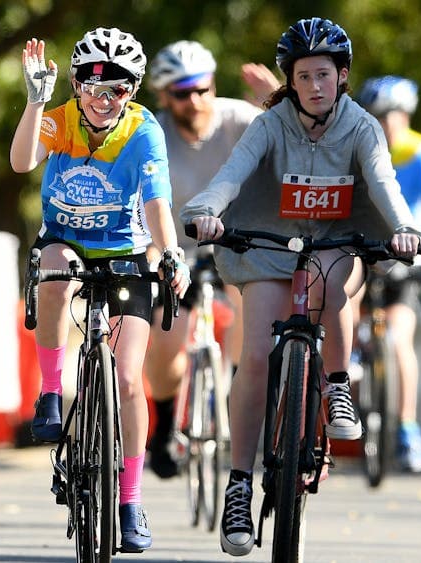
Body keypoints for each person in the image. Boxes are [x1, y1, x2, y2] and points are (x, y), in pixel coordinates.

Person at [180, 18, 421, 556]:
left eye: (325, 74)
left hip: (340, 240)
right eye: (303, 76)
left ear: (342, 77)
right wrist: (204, 211)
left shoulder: (363, 127)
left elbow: (384, 182)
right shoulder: (269, 124)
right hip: (269, 242)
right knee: (256, 356)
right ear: (289, 82)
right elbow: (232, 174)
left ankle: (337, 385)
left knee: (335, 279)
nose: (315, 86)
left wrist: (406, 228)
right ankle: (239, 486)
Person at [11, 28, 190, 552]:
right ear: (75, 85)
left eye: (114, 89)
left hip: (126, 253)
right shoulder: (62, 118)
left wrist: (171, 251)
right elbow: (23, 161)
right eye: (90, 87)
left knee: (130, 380)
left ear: (131, 91)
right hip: (65, 241)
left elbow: (157, 201)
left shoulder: (143, 131)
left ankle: (130, 500)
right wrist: (34, 102)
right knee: (54, 266)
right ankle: (50, 393)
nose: (100, 99)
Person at [143, 40, 276, 479]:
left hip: (236, 242)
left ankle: (240, 388)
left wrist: (277, 100)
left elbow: (295, 139)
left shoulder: (240, 117)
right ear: (164, 97)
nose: (195, 99)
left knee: (249, 306)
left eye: (202, 88)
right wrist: (154, 255)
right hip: (175, 249)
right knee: (166, 340)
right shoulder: (153, 134)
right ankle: (164, 424)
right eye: (182, 92)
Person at [357, 75, 421, 473]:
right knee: (343, 307)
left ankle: (407, 427)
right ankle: (349, 360)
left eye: (393, 115)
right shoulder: (361, 144)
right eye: (379, 116)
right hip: (364, 252)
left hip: (407, 258)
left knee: (400, 339)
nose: (386, 124)